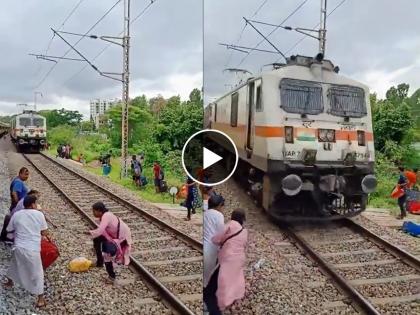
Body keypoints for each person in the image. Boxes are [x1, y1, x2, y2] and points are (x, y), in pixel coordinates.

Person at [3, 195, 49, 308]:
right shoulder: (39, 214)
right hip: (32, 249)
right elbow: (44, 232)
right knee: (37, 273)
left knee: (15, 264)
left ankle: (9, 282)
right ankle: (41, 299)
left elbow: (9, 229)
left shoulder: (17, 214)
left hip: (18, 247)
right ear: (33, 204)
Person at [211, 209, 248, 312]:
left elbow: (217, 239)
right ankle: (237, 295)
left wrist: (216, 241)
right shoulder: (244, 230)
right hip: (240, 257)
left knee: (224, 279)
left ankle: (224, 302)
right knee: (236, 277)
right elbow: (244, 244)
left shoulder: (229, 225)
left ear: (232, 216)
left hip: (228, 257)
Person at [89, 202, 132, 284]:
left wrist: (89, 232)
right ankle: (99, 263)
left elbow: (100, 231)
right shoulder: (104, 216)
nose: (93, 213)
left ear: (99, 211)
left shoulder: (106, 216)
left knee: (107, 254)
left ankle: (112, 276)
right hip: (112, 236)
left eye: (94, 211)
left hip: (120, 238)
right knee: (97, 239)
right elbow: (101, 232)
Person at [1, 168, 30, 242]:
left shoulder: (17, 180)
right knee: (15, 221)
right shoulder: (18, 182)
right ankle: (8, 237)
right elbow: (14, 193)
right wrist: (18, 204)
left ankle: (7, 236)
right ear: (20, 173)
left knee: (13, 220)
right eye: (25, 174)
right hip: (16, 206)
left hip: (15, 205)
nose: (27, 176)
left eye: (28, 174)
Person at [203, 194, 225, 292]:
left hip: (204, 244)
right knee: (208, 276)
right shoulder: (219, 215)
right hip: (211, 248)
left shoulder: (205, 213)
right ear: (219, 205)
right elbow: (221, 234)